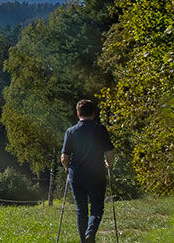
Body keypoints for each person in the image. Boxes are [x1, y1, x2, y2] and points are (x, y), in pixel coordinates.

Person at [60, 99, 114, 243]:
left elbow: (65, 157)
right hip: (96, 174)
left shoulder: (70, 131)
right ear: (93, 113)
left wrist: (66, 168)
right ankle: (90, 232)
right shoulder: (101, 130)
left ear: (78, 113)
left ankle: (84, 241)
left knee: (81, 210)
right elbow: (109, 153)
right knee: (97, 207)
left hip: (76, 175)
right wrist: (109, 164)